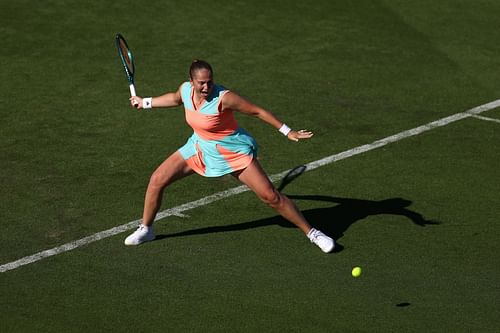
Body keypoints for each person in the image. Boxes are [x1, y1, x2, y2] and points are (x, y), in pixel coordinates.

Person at [124, 60, 334, 253]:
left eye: (210, 81)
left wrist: (288, 131)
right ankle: (147, 229)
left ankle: (312, 233)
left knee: (271, 197)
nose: (207, 87)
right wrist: (145, 102)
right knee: (157, 179)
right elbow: (175, 98)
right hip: (199, 146)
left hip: (231, 151)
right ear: (191, 82)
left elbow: (257, 112)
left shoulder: (224, 98)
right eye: (202, 83)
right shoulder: (185, 90)